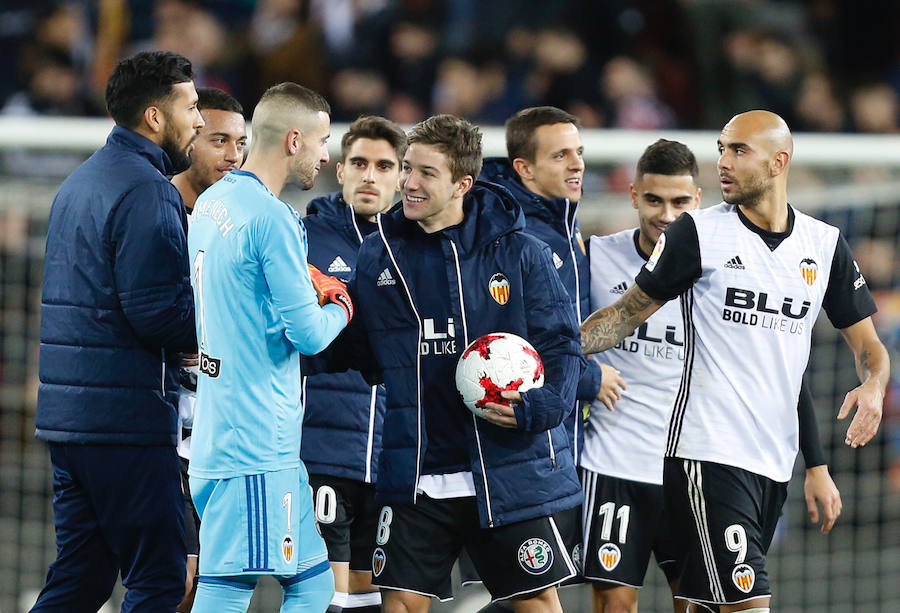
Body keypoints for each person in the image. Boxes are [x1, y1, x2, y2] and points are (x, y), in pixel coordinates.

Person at [580, 111, 890, 613]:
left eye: (738, 150)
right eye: (722, 149)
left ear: (778, 161)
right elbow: (621, 316)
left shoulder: (823, 245)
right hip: (705, 453)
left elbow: (868, 348)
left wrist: (874, 386)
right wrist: (555, 353)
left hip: (772, 462)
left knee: (704, 607)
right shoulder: (696, 234)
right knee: (750, 605)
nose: (722, 162)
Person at [306, 114, 584, 612]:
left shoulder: (521, 253)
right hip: (417, 472)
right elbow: (363, 354)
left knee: (536, 605)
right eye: (407, 169)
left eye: (425, 174)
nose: (408, 184)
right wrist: (309, 328)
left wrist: (537, 408)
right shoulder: (379, 256)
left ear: (462, 184)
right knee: (400, 605)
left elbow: (563, 348)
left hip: (507, 470)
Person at [32, 50, 202, 612]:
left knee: (80, 576)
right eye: (192, 107)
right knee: (158, 580)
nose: (199, 121)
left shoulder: (81, 182)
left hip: (71, 420)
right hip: (125, 422)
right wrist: (229, 320)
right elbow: (157, 313)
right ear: (156, 117)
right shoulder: (149, 190)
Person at [186, 82, 351, 613]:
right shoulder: (272, 218)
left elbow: (243, 293)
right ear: (295, 140)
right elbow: (308, 334)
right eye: (324, 140)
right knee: (227, 592)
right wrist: (341, 302)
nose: (327, 155)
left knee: (312, 585)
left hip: (221, 433)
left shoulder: (212, 201)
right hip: (255, 445)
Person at [474, 107, 626, 591]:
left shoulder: (560, 227)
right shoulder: (521, 236)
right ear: (524, 167)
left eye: (579, 153)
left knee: (534, 588)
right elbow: (519, 340)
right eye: (560, 155)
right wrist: (589, 377)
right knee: (526, 589)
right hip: (522, 441)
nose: (576, 164)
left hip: (557, 436)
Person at [300, 115, 407, 613]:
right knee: (329, 600)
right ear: (340, 171)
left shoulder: (416, 248)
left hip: (394, 459)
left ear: (402, 177)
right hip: (323, 451)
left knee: (369, 602)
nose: (370, 175)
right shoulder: (304, 238)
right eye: (360, 163)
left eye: (384, 166)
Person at [170, 85, 247, 613]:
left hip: (225, 438)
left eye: (240, 143)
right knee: (174, 579)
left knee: (214, 586)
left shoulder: (248, 223)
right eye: (218, 140)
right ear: (190, 140)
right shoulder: (155, 212)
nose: (233, 155)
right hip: (163, 433)